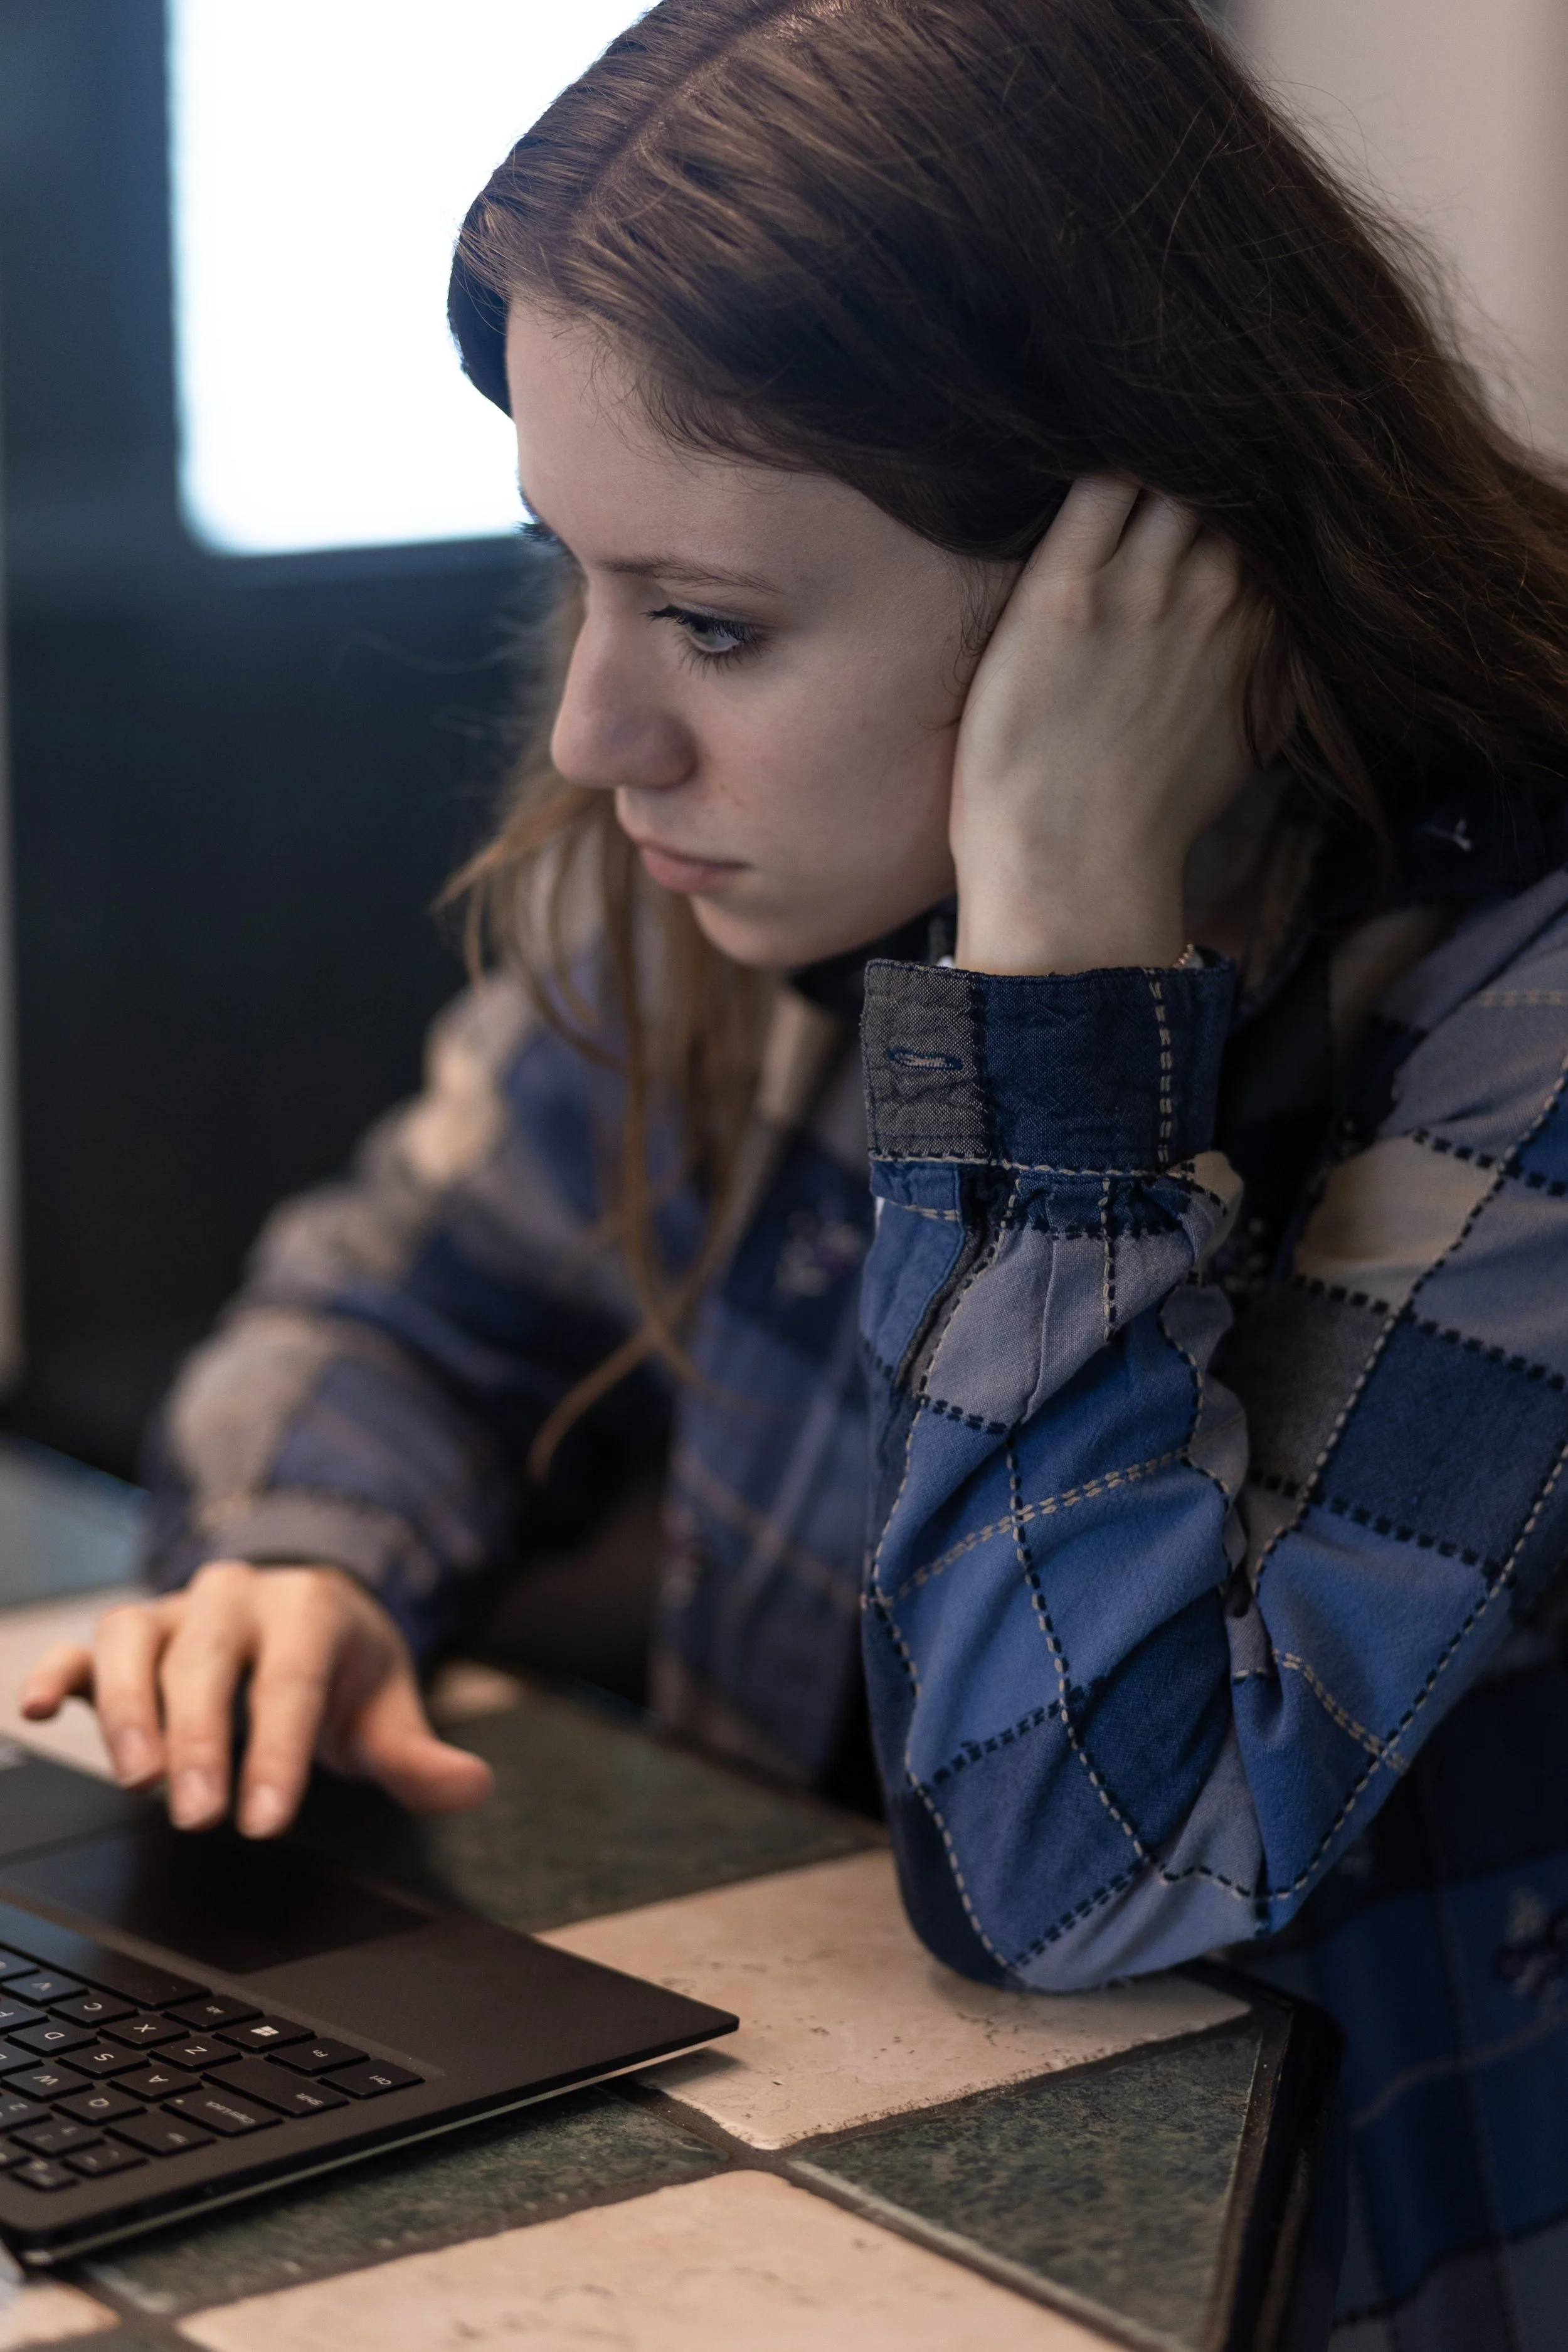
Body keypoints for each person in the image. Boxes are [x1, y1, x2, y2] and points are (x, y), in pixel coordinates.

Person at [21, 0, 1568, 2337]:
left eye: (713, 623)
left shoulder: (1522, 1012)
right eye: (580, 573)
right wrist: (302, 1559)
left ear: (1137, 587)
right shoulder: (749, 878)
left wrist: (1056, 992)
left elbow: (1081, 1863)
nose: (592, 729)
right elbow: (386, 1298)